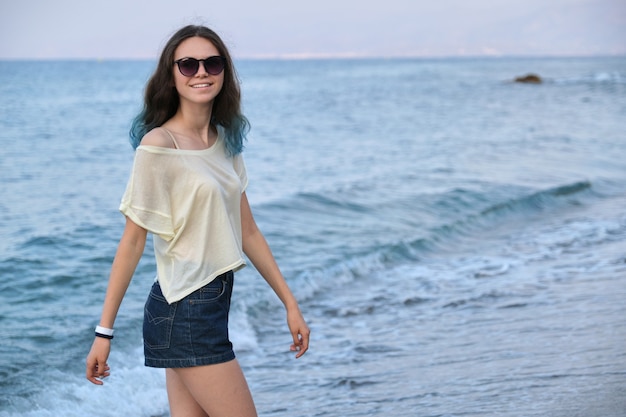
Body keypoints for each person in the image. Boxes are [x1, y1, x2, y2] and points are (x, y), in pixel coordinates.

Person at [86, 24, 310, 417]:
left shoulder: (225, 142)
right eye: (188, 64)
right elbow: (132, 243)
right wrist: (104, 333)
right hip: (184, 308)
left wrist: (289, 303)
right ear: (171, 75)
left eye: (212, 63)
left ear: (225, 72)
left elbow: (250, 233)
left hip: (207, 305)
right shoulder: (158, 146)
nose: (202, 72)